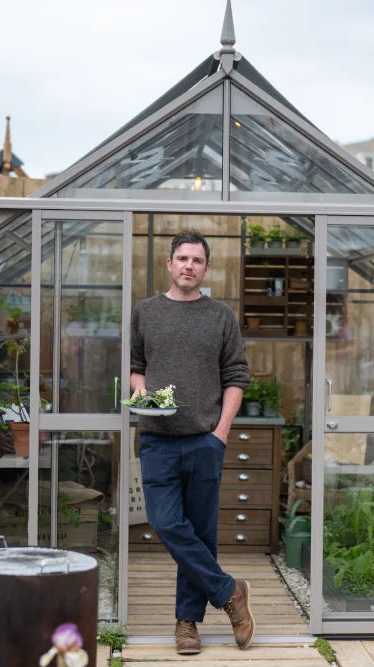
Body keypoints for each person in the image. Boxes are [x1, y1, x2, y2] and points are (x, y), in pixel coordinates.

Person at [129, 230, 255, 655]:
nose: (188, 265)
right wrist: (138, 390)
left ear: (206, 267)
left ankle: (187, 623)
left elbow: (236, 377)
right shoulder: (145, 312)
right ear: (169, 264)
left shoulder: (221, 316)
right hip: (157, 439)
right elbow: (136, 367)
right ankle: (228, 591)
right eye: (182, 258)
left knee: (200, 533)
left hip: (204, 439)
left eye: (197, 260)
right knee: (166, 524)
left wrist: (221, 432)